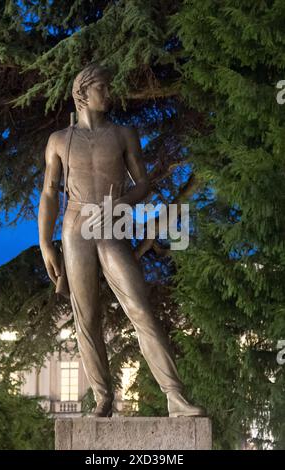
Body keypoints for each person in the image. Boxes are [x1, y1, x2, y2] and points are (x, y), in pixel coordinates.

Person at [38, 63, 205, 418]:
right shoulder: (58, 140)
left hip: (112, 226)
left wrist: (117, 204)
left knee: (140, 308)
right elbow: (49, 195)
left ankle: (174, 396)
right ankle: (103, 398)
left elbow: (143, 184)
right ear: (82, 92)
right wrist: (46, 245)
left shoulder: (123, 134)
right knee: (87, 317)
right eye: (102, 87)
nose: (109, 93)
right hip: (76, 228)